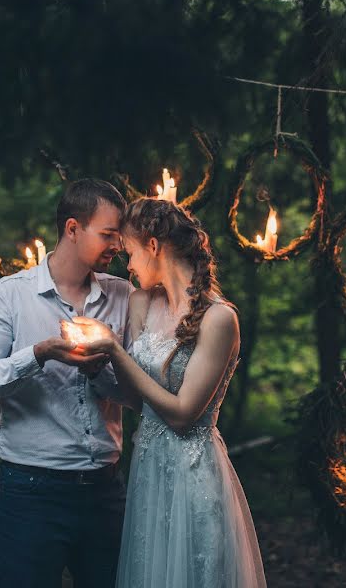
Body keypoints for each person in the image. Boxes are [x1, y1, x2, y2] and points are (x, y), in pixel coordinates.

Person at [74, 198, 267, 587]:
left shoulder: (219, 319)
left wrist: (114, 349)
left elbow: (182, 414)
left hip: (192, 472)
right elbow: (137, 397)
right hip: (148, 470)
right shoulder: (143, 301)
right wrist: (99, 366)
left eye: (129, 252)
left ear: (154, 247)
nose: (126, 265)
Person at [0, 178, 136, 587]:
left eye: (119, 237)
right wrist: (38, 355)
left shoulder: (124, 296)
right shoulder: (5, 298)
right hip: (30, 493)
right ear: (73, 228)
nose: (118, 246)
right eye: (108, 234)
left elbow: (141, 397)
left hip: (107, 493)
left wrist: (98, 372)